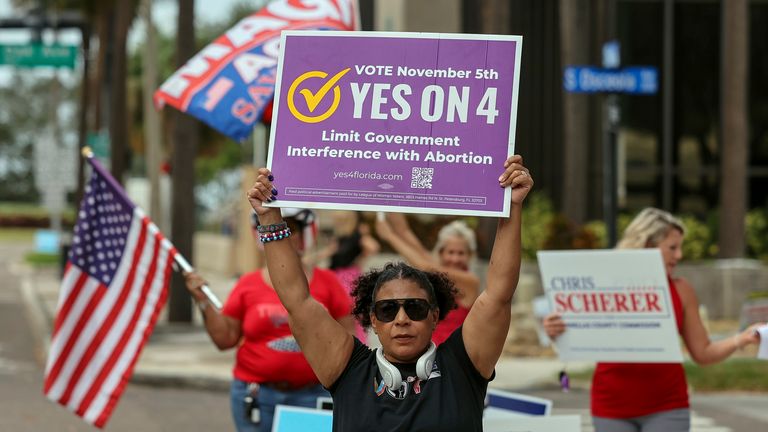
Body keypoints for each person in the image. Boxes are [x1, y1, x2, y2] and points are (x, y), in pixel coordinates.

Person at [246, 155, 533, 431]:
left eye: (415, 308)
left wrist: (512, 204)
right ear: (373, 319)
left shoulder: (463, 365)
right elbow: (297, 301)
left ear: (435, 316)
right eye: (388, 309)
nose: (402, 319)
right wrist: (269, 217)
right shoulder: (347, 368)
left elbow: (498, 294)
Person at [543, 207, 764, 432]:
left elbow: (703, 352)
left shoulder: (682, 290)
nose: (679, 255)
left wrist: (741, 339)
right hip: (611, 407)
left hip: (667, 407)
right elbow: (580, 333)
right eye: (672, 248)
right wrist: (557, 330)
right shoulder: (605, 283)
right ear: (647, 244)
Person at [183, 208, 355, 432]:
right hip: (257, 397)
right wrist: (203, 302)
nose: (282, 234)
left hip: (313, 396)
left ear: (305, 235)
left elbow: (347, 345)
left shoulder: (329, 283)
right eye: (274, 228)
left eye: (290, 228)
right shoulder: (247, 284)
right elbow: (225, 340)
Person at [375, 213, 480, 344]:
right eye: (451, 252)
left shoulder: (470, 281)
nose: (455, 259)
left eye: (461, 253)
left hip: (452, 351)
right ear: (441, 253)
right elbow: (405, 232)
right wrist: (393, 205)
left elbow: (424, 266)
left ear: (470, 255)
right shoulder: (437, 269)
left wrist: (389, 236)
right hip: (430, 347)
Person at [325, 211, 381, 342]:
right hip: (335, 277)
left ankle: (358, 346)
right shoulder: (341, 237)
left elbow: (374, 247)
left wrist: (361, 258)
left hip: (349, 278)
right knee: (338, 315)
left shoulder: (358, 235)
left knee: (353, 315)